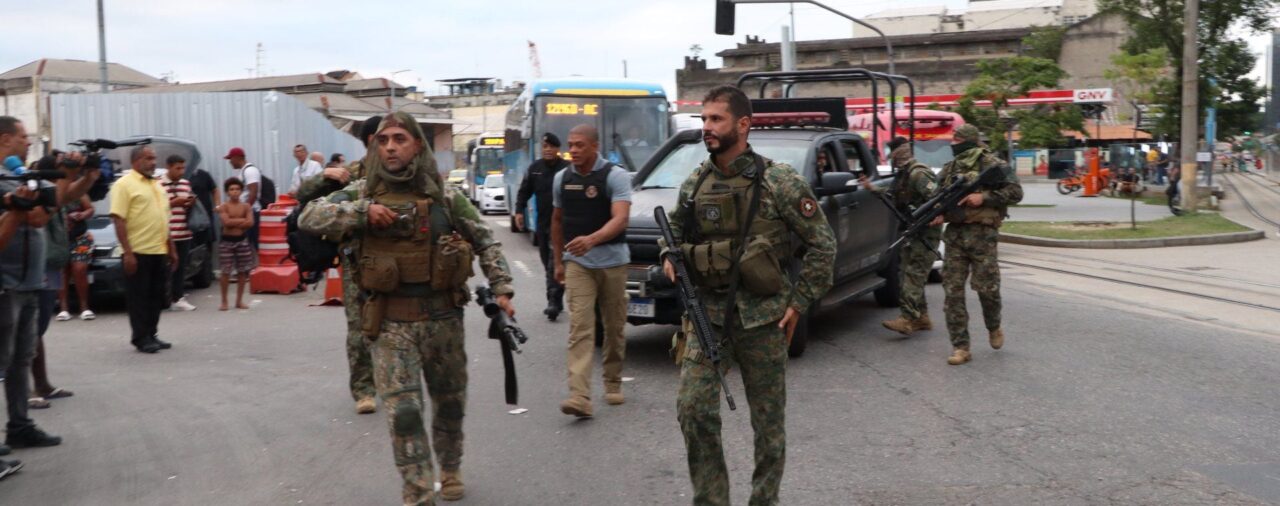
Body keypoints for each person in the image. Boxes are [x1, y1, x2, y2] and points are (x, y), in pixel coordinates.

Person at [300, 111, 515, 505]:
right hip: (390, 322)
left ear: (417, 144)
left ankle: (450, 468)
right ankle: (418, 490)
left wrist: (502, 288)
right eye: (383, 141)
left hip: (443, 319)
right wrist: (362, 213)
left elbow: (486, 240)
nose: (390, 147)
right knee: (404, 413)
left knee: (450, 404)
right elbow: (310, 215)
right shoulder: (362, 192)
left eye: (399, 139)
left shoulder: (444, 196)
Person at [662, 86, 836, 505]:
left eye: (716, 119)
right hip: (708, 319)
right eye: (703, 119)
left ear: (743, 124)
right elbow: (673, 236)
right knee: (694, 410)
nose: (707, 127)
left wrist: (799, 303)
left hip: (763, 320)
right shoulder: (695, 183)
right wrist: (670, 258)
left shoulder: (779, 181)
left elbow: (823, 244)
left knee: (768, 425)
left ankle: (764, 500)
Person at [0, 115, 102, 462]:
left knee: (19, 359)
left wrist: (81, 177)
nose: (28, 143)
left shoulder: (16, 175)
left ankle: (20, 425)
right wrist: (63, 180)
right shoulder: (4, 180)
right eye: (22, 137)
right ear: (4, 140)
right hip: (7, 282)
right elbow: (38, 216)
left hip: (29, 281)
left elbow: (56, 202)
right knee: (4, 361)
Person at [296, 114, 381, 415]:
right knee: (359, 327)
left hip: (395, 261)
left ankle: (395, 379)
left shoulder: (403, 173)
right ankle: (363, 389)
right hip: (357, 260)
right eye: (387, 136)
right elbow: (302, 197)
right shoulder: (351, 174)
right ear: (372, 140)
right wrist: (326, 177)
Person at [551, 125, 632, 417]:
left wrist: (592, 239)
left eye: (580, 145)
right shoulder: (562, 179)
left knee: (613, 326)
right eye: (570, 145)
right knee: (580, 328)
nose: (573, 150)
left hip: (613, 262)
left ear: (594, 147)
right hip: (578, 264)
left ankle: (612, 380)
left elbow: (621, 219)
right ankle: (580, 395)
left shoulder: (615, 176)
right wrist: (558, 262)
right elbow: (557, 222)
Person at [930, 124, 1023, 365]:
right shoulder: (950, 169)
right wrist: (938, 214)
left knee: (987, 289)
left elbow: (1016, 192)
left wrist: (984, 197)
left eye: (958, 139)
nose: (953, 143)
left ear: (970, 141)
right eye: (953, 139)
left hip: (983, 236)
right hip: (956, 237)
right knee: (952, 292)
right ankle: (961, 347)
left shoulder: (992, 164)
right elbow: (940, 199)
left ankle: (994, 326)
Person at [860, 137, 941, 335]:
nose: (892, 160)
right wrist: (872, 188)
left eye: (893, 155)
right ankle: (921, 317)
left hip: (925, 235)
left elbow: (938, 200)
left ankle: (907, 319)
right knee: (908, 274)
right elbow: (893, 195)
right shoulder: (904, 175)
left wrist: (935, 215)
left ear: (899, 154)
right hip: (912, 232)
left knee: (912, 276)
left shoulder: (918, 174)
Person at [111, 145, 179, 354]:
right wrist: (128, 253)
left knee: (156, 296)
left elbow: (164, 220)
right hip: (138, 251)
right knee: (139, 297)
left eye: (154, 158)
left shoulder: (157, 185)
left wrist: (172, 249)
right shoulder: (124, 185)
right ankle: (140, 337)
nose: (153, 162)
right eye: (148, 158)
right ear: (136, 160)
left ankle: (152, 333)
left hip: (158, 250)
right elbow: (118, 219)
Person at [514, 132, 570, 320]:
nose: (547, 150)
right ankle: (557, 296)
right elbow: (524, 191)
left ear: (557, 149)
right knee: (546, 259)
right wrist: (519, 211)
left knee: (554, 262)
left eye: (551, 147)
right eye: (544, 147)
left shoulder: (566, 169)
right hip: (542, 224)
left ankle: (552, 301)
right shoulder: (535, 169)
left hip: (561, 225)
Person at [162, 155, 197, 311]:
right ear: (168, 167)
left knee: (180, 268)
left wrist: (190, 202)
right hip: (166, 235)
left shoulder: (185, 183)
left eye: (183, 168)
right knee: (164, 268)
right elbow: (155, 206)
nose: (181, 172)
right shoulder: (158, 183)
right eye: (178, 168)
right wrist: (174, 202)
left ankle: (178, 297)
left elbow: (188, 205)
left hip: (184, 232)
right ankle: (163, 299)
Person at [218, 178, 256, 311]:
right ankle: (224, 301)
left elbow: (250, 223)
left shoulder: (246, 206)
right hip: (226, 241)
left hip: (242, 240)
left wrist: (234, 221)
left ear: (241, 191)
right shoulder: (224, 206)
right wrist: (242, 220)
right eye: (231, 189)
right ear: (227, 192)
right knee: (225, 272)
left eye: (237, 189)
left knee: (242, 271)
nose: (234, 192)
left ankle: (239, 300)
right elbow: (226, 223)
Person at [56, 194, 94, 322]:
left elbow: (90, 209)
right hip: (59, 239)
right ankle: (63, 309)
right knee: (62, 272)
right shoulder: (53, 191)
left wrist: (82, 215)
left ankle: (84, 307)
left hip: (80, 238)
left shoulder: (79, 192)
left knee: (80, 269)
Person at [224, 147, 263, 248]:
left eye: (230, 159)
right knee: (246, 244)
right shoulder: (244, 171)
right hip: (248, 212)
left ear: (237, 158)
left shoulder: (250, 171)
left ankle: (255, 263)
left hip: (252, 212)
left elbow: (253, 193)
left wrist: (245, 212)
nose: (230, 162)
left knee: (252, 242)